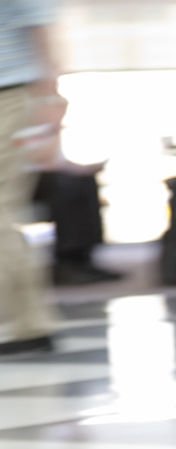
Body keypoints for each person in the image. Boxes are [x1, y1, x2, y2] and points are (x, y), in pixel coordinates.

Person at [0, 0, 59, 356]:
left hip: (8, 96)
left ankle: (32, 323)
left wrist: (49, 109)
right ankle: (29, 322)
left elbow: (43, 33)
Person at [21, 93, 122, 286]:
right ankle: (69, 262)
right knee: (67, 185)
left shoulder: (44, 127)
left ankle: (81, 258)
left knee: (83, 181)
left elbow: (52, 162)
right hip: (15, 182)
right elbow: (38, 160)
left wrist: (81, 169)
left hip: (40, 177)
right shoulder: (19, 117)